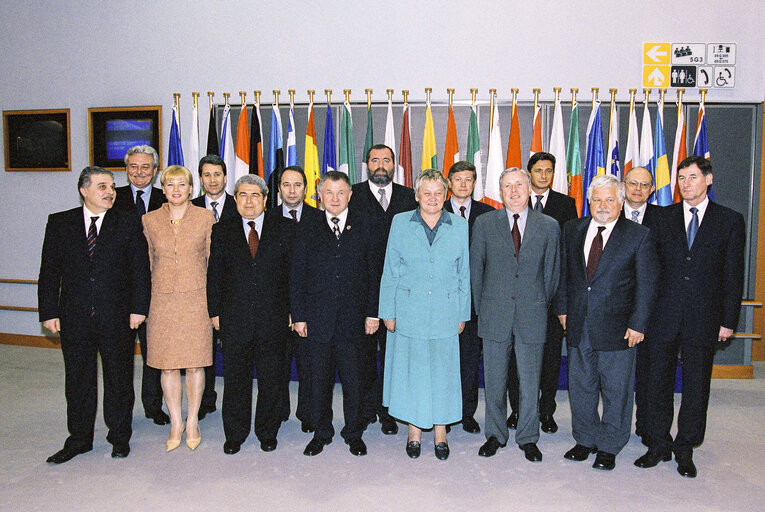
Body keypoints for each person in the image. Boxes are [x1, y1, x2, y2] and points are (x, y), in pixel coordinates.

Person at [635, 156, 745, 478]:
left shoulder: (729, 220)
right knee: (657, 384)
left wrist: (728, 320)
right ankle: (657, 444)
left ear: (707, 180)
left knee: (696, 386)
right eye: (681, 178)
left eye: (692, 177)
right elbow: (649, 270)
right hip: (662, 316)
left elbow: (733, 274)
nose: (685, 184)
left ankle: (686, 447)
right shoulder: (659, 218)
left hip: (704, 318)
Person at [39, 166, 150, 463]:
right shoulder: (60, 223)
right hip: (74, 318)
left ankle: (119, 438)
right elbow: (49, 272)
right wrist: (48, 311)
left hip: (117, 318)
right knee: (78, 382)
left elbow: (140, 270)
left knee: (119, 381)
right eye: (102, 186)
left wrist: (139, 308)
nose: (110, 191)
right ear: (84, 190)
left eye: (112, 186)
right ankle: (78, 439)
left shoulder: (127, 223)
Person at [555, 174, 658, 471]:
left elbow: (647, 285)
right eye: (597, 199)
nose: (603, 205)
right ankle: (585, 439)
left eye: (610, 199)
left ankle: (610, 446)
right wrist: (563, 310)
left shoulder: (639, 235)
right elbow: (564, 274)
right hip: (578, 324)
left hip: (620, 328)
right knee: (581, 387)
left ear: (622, 202)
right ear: (589, 202)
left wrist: (638, 324)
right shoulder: (572, 229)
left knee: (617, 391)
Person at [291, 171, 383, 457]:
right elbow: (297, 275)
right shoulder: (306, 227)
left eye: (340, 192)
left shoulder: (366, 226)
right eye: (328, 192)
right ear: (319, 195)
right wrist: (299, 316)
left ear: (350, 195)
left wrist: (372, 313)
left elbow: (374, 275)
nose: (334, 198)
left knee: (355, 382)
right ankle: (321, 432)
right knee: (318, 381)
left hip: (355, 322)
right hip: (317, 321)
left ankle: (353, 432)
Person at [379, 169, 470, 460]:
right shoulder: (400, 223)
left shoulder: (459, 225)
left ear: (446, 195)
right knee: (412, 375)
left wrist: (462, 315)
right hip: (408, 312)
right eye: (426, 193)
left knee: (443, 375)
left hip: (446, 312)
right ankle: (414, 433)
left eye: (438, 193)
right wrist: (387, 312)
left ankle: (441, 433)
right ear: (416, 195)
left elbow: (463, 274)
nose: (432, 198)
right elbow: (390, 271)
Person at [470, 167, 560, 462]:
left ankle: (528, 437)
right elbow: (476, 272)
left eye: (519, 184)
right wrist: (482, 310)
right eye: (507, 186)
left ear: (529, 187)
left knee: (530, 381)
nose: (514, 191)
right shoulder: (484, 224)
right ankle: (495, 435)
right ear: (500, 191)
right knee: (494, 381)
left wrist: (538, 304)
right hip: (494, 314)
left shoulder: (548, 226)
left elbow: (551, 274)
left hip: (532, 315)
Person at [207, 175, 294, 455]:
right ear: (235, 199)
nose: (249, 201)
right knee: (236, 381)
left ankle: (267, 432)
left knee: (272, 380)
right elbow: (214, 275)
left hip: (274, 318)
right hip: (235, 318)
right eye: (242, 195)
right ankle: (235, 433)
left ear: (266, 200)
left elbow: (293, 276)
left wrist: (294, 311)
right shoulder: (222, 230)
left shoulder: (285, 228)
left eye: (255, 195)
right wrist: (215, 312)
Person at [142, 165, 215, 451]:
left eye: (181, 185)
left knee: (196, 364)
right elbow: (146, 265)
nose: (176, 190)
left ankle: (193, 419)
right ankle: (176, 421)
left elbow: (213, 263)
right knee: (167, 366)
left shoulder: (206, 218)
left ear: (191, 189)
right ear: (163, 189)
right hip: (161, 303)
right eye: (170, 185)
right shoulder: (149, 220)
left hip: (197, 301)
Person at [507, 152, 577, 434]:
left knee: (548, 360)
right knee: (515, 360)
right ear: (529, 173)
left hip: (549, 299)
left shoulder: (566, 205)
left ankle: (546, 411)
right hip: (517, 300)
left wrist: (562, 303)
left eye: (549, 170)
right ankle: (518, 410)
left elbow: (567, 257)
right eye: (538, 170)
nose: (544, 176)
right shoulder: (515, 204)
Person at [349, 144, 417, 436]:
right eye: (374, 160)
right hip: (361, 290)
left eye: (386, 160)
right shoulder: (351, 194)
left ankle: (390, 412)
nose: (380, 165)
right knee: (362, 356)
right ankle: (365, 410)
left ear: (394, 165)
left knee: (395, 357)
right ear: (366, 165)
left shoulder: (409, 196)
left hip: (401, 292)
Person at [112, 145, 169, 426]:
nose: (140, 172)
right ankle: (122, 412)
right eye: (134, 166)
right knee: (119, 358)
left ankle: (153, 405)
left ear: (155, 171)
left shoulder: (166, 198)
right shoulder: (111, 198)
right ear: (126, 170)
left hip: (156, 288)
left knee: (154, 353)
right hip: (119, 291)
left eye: (146, 167)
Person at [265, 165, 324, 433]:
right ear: (278, 189)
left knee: (309, 365)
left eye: (297, 185)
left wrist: (300, 309)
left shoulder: (318, 218)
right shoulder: (267, 218)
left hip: (309, 307)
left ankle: (309, 414)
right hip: (275, 307)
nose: (291, 190)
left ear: (306, 188)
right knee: (277, 365)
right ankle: (278, 411)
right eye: (286, 185)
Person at [442, 161, 494, 434]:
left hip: (475, 303)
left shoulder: (489, 214)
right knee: (444, 362)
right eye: (458, 179)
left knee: (469, 361)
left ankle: (466, 414)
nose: (463, 184)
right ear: (449, 182)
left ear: (475, 183)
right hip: (442, 301)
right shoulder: (435, 211)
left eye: (468, 179)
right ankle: (444, 415)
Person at [191, 154, 238, 421]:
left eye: (217, 174)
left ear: (225, 176)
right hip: (197, 289)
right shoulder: (189, 206)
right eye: (206, 175)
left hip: (233, 292)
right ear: (200, 179)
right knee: (202, 348)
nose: (212, 180)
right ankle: (205, 399)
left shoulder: (241, 204)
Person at [621, 165, 662, 440]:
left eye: (644, 185)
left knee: (649, 374)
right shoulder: (604, 212)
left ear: (652, 190)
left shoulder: (665, 219)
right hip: (612, 308)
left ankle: (646, 427)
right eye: (633, 183)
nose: (638, 189)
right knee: (614, 377)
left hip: (651, 310)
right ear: (624, 185)